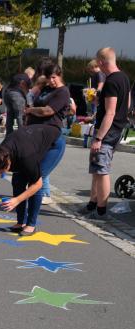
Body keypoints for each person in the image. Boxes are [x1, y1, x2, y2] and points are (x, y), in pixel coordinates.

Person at [0, 125, 64, 235]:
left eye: (2, 171)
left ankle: (31, 225)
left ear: (9, 162)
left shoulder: (26, 157)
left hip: (54, 144)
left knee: (36, 181)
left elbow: (38, 184)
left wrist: (17, 200)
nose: (0, 174)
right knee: (18, 181)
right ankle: (21, 223)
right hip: (29, 142)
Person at [81, 47, 131, 220]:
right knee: (97, 169)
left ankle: (101, 211)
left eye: (98, 63)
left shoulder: (111, 81)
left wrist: (99, 138)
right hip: (117, 128)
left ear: (102, 62)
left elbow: (110, 112)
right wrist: (98, 100)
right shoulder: (124, 78)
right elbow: (128, 103)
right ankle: (92, 204)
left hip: (108, 131)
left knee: (102, 171)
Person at [24, 63, 71, 205]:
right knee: (35, 169)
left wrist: (31, 110)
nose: (51, 81)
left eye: (54, 77)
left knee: (39, 173)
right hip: (36, 134)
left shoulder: (63, 92)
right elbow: (33, 95)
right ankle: (40, 195)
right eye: (49, 78)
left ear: (60, 75)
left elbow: (48, 111)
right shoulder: (46, 88)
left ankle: (41, 197)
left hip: (51, 135)